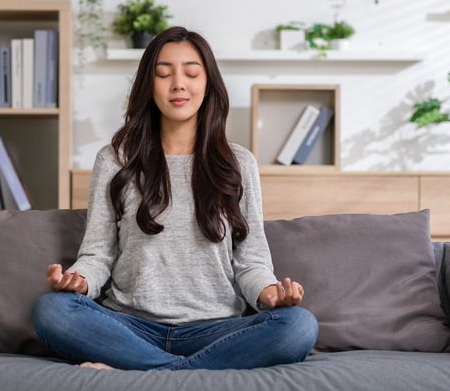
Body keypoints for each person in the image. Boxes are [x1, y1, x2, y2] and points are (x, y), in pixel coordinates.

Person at [31, 26, 318, 371]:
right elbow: (97, 254)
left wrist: (269, 293)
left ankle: (147, 371)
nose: (178, 84)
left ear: (208, 83)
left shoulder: (239, 163)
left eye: (191, 73)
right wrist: (78, 280)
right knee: (52, 310)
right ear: (148, 85)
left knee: (299, 325)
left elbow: (251, 260)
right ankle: (185, 373)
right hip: (130, 325)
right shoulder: (115, 160)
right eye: (163, 73)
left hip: (216, 328)